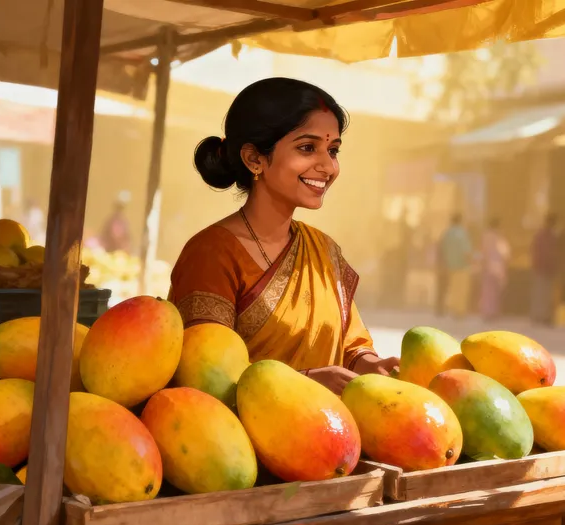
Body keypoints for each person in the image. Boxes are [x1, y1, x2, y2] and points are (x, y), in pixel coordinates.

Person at [168, 78, 399, 395]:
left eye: (333, 150)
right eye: (307, 148)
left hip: (329, 432)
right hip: (241, 439)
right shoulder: (211, 253)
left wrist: (371, 364)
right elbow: (206, 376)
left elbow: (351, 346)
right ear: (255, 159)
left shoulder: (324, 251)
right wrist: (304, 381)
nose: (328, 166)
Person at [437, 213, 473, 317]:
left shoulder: (447, 234)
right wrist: (472, 261)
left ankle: (454, 309)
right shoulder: (462, 233)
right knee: (462, 289)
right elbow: (466, 251)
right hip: (462, 265)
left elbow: (442, 249)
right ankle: (460, 311)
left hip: (450, 265)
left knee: (453, 288)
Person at [531, 212, 559, 326]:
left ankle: (539, 316)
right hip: (546, 268)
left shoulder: (541, 235)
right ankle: (542, 316)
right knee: (545, 293)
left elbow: (534, 250)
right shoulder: (551, 236)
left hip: (542, 267)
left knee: (541, 292)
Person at [480, 218, 510, 321]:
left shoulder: (485, 237)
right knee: (496, 291)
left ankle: (486, 311)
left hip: (487, 265)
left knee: (487, 290)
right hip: (498, 266)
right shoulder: (499, 237)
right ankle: (493, 312)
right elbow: (505, 252)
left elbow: (483, 252)